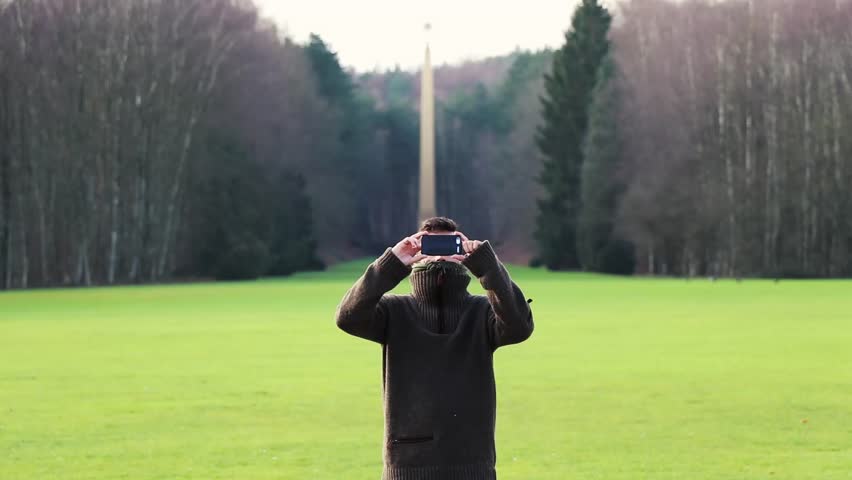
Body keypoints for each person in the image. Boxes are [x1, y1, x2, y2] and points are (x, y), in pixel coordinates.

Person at [335, 216, 534, 480]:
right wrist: (391, 263)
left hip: (473, 465)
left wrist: (487, 265)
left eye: (449, 247)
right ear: (417, 255)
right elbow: (348, 317)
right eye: (431, 247)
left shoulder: (483, 312)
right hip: (406, 466)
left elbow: (520, 326)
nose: (440, 256)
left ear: (462, 254)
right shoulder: (393, 311)